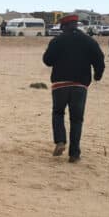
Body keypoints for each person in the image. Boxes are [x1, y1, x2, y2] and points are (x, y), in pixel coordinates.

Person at [42, 15, 105, 163]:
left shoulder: (57, 41)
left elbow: (47, 60)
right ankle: (74, 154)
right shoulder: (89, 41)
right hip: (80, 85)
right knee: (77, 119)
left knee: (58, 113)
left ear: (64, 26)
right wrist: (97, 76)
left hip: (60, 84)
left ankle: (60, 141)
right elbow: (99, 60)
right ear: (76, 25)